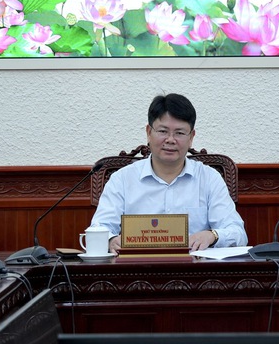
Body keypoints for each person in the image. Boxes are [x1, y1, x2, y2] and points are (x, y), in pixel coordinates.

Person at [91, 93, 247, 252]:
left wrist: (212, 236)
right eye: (163, 131)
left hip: (194, 265)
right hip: (138, 265)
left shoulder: (209, 178)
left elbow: (237, 233)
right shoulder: (122, 179)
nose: (170, 140)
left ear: (191, 137)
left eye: (179, 133)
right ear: (148, 132)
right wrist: (110, 240)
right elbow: (98, 227)